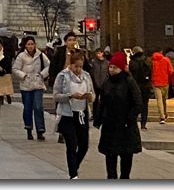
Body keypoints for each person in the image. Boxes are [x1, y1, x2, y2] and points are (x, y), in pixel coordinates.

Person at [93, 50, 142, 179]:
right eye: (110, 67)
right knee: (110, 155)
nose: (112, 70)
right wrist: (98, 119)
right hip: (110, 125)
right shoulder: (107, 82)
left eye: (115, 68)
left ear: (121, 68)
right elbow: (102, 102)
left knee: (126, 155)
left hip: (125, 125)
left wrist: (130, 117)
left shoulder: (129, 82)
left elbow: (137, 103)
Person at [54, 50, 96, 179]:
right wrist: (70, 96)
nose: (78, 69)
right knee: (71, 144)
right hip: (67, 114)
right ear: (71, 65)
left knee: (84, 145)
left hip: (81, 113)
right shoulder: (62, 76)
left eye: (80, 66)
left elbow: (93, 94)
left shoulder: (86, 76)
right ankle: (73, 174)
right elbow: (56, 96)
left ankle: (74, 165)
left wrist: (89, 97)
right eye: (76, 66)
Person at [13, 35, 49, 140]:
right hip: (26, 85)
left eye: (32, 44)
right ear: (25, 45)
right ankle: (29, 128)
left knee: (38, 106)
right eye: (28, 44)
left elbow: (48, 65)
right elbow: (15, 69)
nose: (30, 46)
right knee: (27, 107)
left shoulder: (41, 55)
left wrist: (42, 74)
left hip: (38, 84)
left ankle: (40, 130)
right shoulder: (21, 56)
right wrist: (23, 76)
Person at [128, 46, 153, 130]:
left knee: (134, 103)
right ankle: (143, 123)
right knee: (145, 105)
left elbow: (131, 73)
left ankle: (133, 121)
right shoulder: (147, 60)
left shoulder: (132, 62)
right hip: (146, 85)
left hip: (136, 85)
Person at [150, 48, 174, 123]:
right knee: (164, 99)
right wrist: (173, 82)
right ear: (161, 52)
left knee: (159, 100)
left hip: (155, 82)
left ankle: (162, 116)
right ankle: (164, 114)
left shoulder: (151, 61)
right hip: (165, 82)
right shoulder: (166, 60)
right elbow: (171, 71)